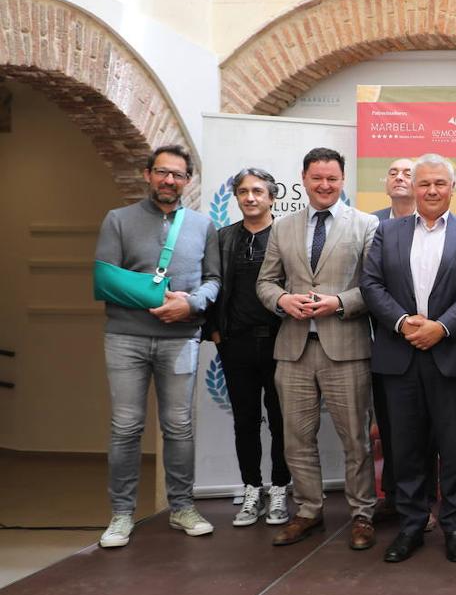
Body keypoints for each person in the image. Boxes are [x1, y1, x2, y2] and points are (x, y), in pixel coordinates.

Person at [361, 153, 456, 564]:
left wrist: (441, 327)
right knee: (405, 447)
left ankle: (455, 527)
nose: (432, 190)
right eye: (424, 184)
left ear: (453, 188)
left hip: (450, 354)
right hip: (398, 355)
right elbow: (370, 283)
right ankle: (412, 525)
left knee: (452, 447)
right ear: (413, 188)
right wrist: (403, 323)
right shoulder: (386, 232)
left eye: (440, 183)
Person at [94, 145, 221, 548]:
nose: (170, 181)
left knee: (179, 427)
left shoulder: (203, 225)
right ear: (148, 174)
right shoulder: (118, 220)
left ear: (187, 181)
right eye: (162, 173)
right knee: (126, 427)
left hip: (181, 340)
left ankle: (182, 507)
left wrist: (190, 303)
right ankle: (121, 514)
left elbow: (214, 280)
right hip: (125, 339)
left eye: (178, 175)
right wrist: (158, 302)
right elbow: (107, 281)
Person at [256, 147, 380, 551]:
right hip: (293, 349)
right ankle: (308, 510)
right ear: (304, 179)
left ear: (343, 180)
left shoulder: (366, 225)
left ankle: (362, 514)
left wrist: (339, 303)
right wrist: (281, 301)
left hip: (346, 348)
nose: (324, 185)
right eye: (316, 178)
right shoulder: (283, 227)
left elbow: (375, 287)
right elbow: (265, 282)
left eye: (332, 178)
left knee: (355, 440)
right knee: (296, 438)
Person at [204, 168, 291, 528]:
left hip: (281, 343)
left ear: (272, 197)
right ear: (236, 198)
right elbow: (210, 283)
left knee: (282, 421)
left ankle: (281, 489)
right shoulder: (223, 238)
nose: (250, 197)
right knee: (245, 421)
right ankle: (252, 488)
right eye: (243, 191)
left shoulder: (286, 236)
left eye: (258, 191)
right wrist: (215, 332)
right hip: (235, 344)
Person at [370, 157, 435, 529]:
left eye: (408, 173)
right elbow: (369, 282)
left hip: (434, 343)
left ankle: (424, 503)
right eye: (392, 171)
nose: (400, 177)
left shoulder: (444, 227)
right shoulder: (371, 225)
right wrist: (400, 322)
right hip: (387, 342)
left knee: (428, 430)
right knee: (393, 427)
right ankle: (394, 497)